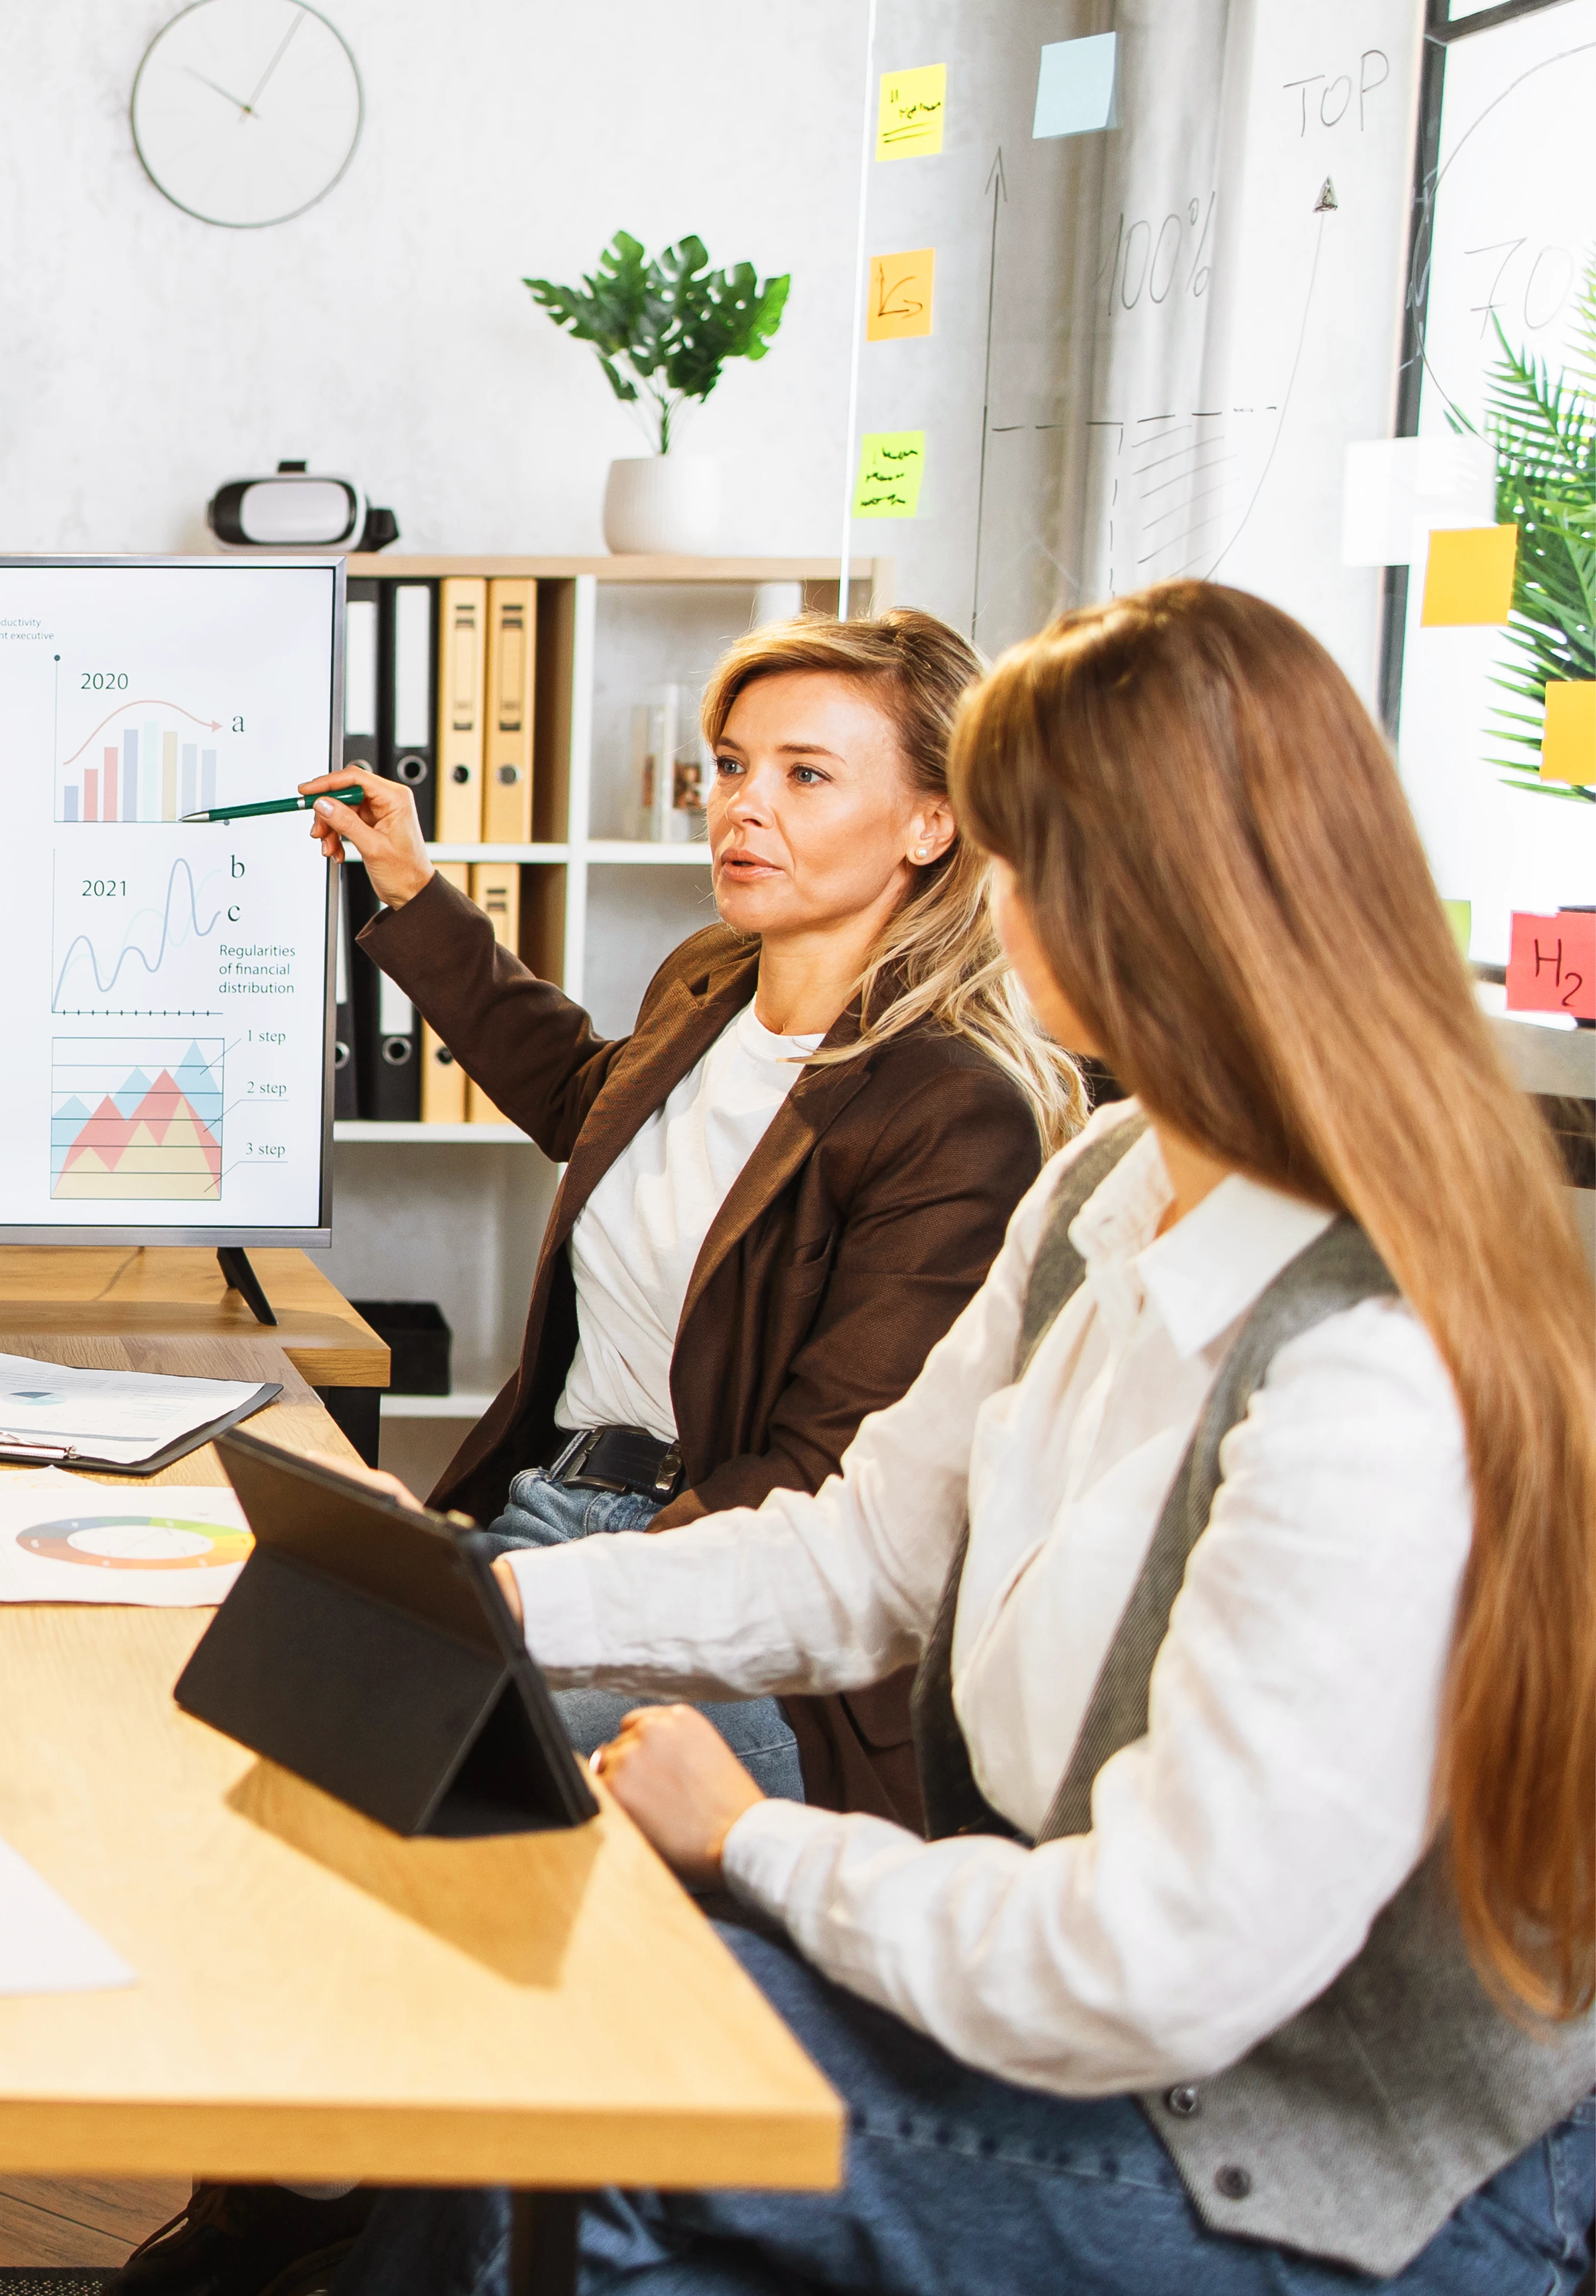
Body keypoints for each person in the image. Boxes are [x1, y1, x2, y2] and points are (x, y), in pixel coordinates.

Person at [343, 580, 1596, 2291]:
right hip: (1079, 2029)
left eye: (1016, 858)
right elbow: (861, 1555)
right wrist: (481, 1611)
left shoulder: (1368, 1372)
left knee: (574, 2084)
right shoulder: (1111, 1182)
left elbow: (1161, 1963)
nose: (991, 905)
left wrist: (754, 1840)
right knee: (503, 1973)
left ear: (1147, 899)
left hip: (1286, 2153)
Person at [114, 613, 1083, 2296]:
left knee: (413, 1800)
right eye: (728, 770)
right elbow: (591, 1103)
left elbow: (814, 1497)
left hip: (740, 1617)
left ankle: (324, 2230)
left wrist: (532, 1597)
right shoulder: (708, 987)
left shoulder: (957, 1109)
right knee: (258, 1714)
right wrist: (409, 896)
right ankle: (292, 2203)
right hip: (552, 1511)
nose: (741, 809)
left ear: (932, 823)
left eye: (803, 775)